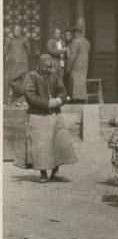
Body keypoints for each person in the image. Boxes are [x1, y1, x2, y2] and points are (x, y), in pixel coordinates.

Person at [15, 54, 77, 183]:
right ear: (39, 66)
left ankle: (55, 171)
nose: (50, 69)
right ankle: (43, 173)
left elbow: (62, 90)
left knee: (59, 143)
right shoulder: (31, 76)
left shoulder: (54, 76)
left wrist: (60, 99)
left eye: (51, 67)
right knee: (40, 146)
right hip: (38, 115)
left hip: (55, 114)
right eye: (47, 67)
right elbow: (30, 96)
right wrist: (48, 103)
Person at [4, 25, 31, 104]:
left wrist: (24, 58)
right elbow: (4, 52)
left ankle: (23, 100)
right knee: (12, 82)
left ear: (20, 31)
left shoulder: (24, 40)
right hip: (13, 66)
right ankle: (11, 100)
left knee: (24, 83)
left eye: (18, 30)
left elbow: (29, 51)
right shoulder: (10, 40)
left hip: (22, 65)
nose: (17, 31)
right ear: (13, 31)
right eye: (15, 30)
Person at [66, 27, 91, 103]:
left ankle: (76, 99)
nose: (74, 35)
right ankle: (82, 98)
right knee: (81, 82)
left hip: (76, 66)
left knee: (75, 82)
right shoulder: (87, 42)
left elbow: (72, 56)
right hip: (84, 66)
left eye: (74, 33)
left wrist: (68, 68)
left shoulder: (75, 42)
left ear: (76, 33)